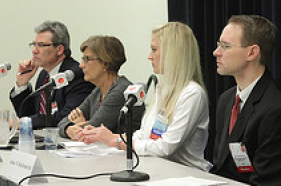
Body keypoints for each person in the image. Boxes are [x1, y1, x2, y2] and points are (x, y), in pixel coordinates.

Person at [77, 22, 213, 171]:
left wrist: (115, 141)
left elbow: (165, 148)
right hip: (159, 169)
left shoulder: (191, 93)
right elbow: (144, 135)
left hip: (187, 175)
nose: (149, 57)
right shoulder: (163, 89)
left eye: (154, 50)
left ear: (173, 53)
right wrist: (113, 137)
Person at [211, 15, 281, 185]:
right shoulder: (226, 100)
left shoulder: (274, 108)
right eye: (219, 45)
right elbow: (219, 167)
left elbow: (265, 181)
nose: (216, 52)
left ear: (252, 52)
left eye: (225, 46)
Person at [10, 21, 95, 129]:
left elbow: (67, 117)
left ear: (59, 49)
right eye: (33, 45)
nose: (34, 51)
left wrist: (24, 122)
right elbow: (30, 115)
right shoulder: (44, 75)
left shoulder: (76, 75)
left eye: (41, 45)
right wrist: (22, 84)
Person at [58, 35, 145, 139]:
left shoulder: (121, 91)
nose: (81, 65)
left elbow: (90, 132)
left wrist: (81, 127)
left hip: (125, 154)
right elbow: (63, 122)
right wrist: (68, 128)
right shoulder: (98, 90)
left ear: (105, 64)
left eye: (87, 59)